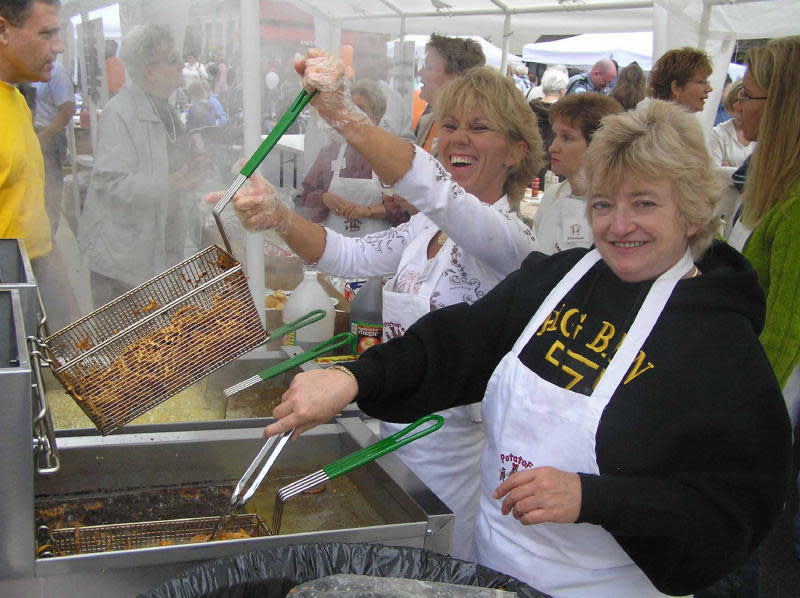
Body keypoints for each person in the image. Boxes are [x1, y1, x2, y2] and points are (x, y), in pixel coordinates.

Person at [264, 92, 792, 595]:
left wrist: (593, 497)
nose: (620, 224)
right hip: (495, 569)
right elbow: (462, 339)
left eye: (646, 203)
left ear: (694, 211)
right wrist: (356, 377)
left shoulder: (717, 340)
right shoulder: (560, 279)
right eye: (604, 203)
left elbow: (732, 507)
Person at [207, 54, 543, 562]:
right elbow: (348, 255)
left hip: (457, 456)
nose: (458, 138)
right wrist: (278, 214)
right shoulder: (427, 229)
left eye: (479, 128)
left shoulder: (509, 240)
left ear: (517, 152)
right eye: (448, 125)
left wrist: (344, 115)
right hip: (393, 436)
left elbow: (435, 191)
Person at [79, 25, 209, 308]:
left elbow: (168, 159)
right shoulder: (119, 113)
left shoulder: (168, 108)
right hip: (120, 261)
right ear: (150, 70)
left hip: (158, 251)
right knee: (121, 344)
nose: (180, 65)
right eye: (172, 60)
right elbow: (110, 183)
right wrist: (167, 183)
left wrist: (191, 163)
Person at [296, 79, 404, 235]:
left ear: (376, 117)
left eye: (361, 109)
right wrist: (323, 199)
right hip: (336, 250)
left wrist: (368, 211)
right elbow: (305, 197)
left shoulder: (390, 157)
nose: (354, 115)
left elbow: (405, 211)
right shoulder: (330, 153)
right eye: (350, 109)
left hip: (377, 253)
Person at [533, 93, 623, 255]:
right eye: (556, 135)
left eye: (567, 138)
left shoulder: (617, 209)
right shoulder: (552, 196)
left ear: (598, 144)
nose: (553, 147)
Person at [415, 33, 485, 154]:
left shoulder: (472, 133)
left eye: (429, 67)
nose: (420, 73)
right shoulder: (427, 121)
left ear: (455, 79)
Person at [32, 58, 74, 234]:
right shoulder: (27, 71)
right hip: (31, 132)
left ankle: (49, 234)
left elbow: (68, 109)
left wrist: (43, 137)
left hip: (48, 135)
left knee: (50, 187)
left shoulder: (56, 72)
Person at [528, 65, 569, 183]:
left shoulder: (528, 110)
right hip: (555, 170)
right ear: (562, 91)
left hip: (530, 167)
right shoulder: (564, 115)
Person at [647, 47, 713, 113]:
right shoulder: (667, 122)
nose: (709, 89)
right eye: (702, 81)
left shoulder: (648, 118)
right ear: (676, 87)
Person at [708, 79, 754, 168]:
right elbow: (715, 172)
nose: (738, 106)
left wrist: (729, 170)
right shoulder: (718, 133)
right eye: (737, 101)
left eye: (746, 101)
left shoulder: (764, 135)